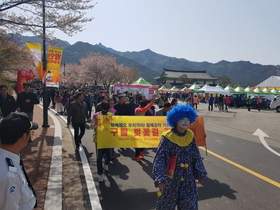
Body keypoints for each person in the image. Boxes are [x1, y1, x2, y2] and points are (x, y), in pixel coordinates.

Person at [152, 105, 207, 209]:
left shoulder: (190, 135)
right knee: (166, 206)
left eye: (188, 119)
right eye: (182, 119)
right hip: (170, 178)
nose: (185, 122)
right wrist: (160, 179)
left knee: (189, 205)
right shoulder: (167, 137)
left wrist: (199, 173)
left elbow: (196, 156)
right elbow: (160, 158)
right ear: (175, 119)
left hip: (188, 178)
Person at [0, 112, 38, 210]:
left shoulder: (9, 157)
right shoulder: (8, 175)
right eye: (30, 133)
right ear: (23, 137)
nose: (30, 136)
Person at [91, 102, 113, 182]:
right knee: (99, 158)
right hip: (99, 140)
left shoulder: (111, 115)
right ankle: (100, 174)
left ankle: (106, 163)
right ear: (101, 108)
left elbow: (114, 125)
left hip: (108, 139)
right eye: (105, 109)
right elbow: (92, 126)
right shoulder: (96, 115)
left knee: (109, 156)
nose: (106, 111)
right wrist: (96, 122)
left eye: (107, 110)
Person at [135, 97, 156, 162]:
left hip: (144, 128)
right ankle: (137, 155)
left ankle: (141, 151)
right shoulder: (138, 110)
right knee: (138, 143)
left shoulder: (144, 109)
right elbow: (144, 109)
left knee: (146, 141)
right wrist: (151, 103)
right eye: (146, 105)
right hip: (138, 128)